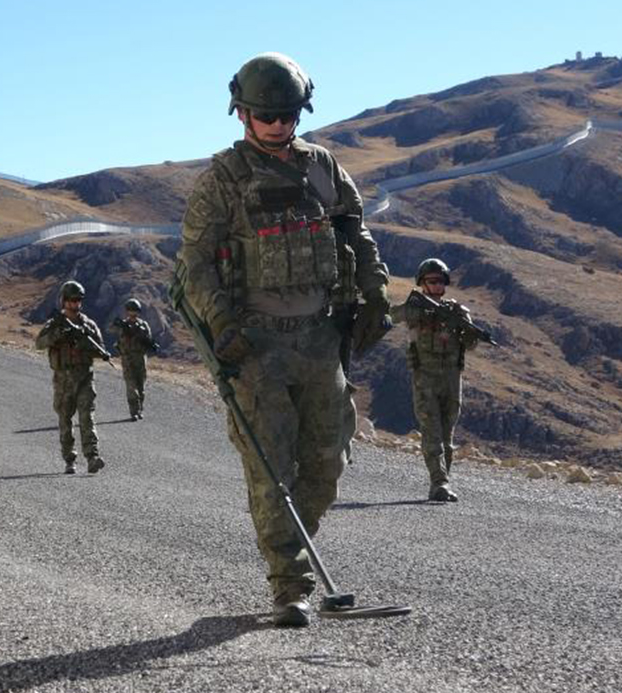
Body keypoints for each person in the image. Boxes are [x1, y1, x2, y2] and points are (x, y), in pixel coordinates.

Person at [179, 52, 390, 627]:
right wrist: (221, 325)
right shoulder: (222, 180)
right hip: (257, 345)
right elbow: (195, 266)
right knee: (272, 466)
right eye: (264, 115)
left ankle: (295, 550)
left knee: (326, 459)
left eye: (286, 114)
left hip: (321, 337)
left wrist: (374, 294)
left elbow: (356, 233)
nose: (276, 125)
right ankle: (290, 585)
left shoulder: (321, 166)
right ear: (242, 113)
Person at [391, 258, 483, 503]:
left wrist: (468, 332)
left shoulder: (457, 312)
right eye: (431, 281)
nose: (436, 286)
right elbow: (392, 315)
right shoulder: (415, 307)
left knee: (447, 438)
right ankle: (439, 483)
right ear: (422, 283)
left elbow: (471, 344)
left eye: (440, 281)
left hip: (452, 380)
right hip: (425, 379)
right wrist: (412, 310)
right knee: (431, 434)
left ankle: (443, 483)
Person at [35, 281, 110, 475]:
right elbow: (39, 343)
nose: (74, 304)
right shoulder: (55, 324)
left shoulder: (88, 325)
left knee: (87, 418)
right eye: (70, 300)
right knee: (65, 420)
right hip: (63, 380)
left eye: (77, 301)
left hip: (85, 377)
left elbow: (99, 348)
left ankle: (92, 457)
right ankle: (70, 459)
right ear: (63, 301)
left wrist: (86, 344)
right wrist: (58, 335)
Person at [108, 298, 157, 420]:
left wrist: (150, 344)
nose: (132, 314)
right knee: (131, 385)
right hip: (127, 358)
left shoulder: (143, 325)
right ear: (127, 312)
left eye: (135, 311)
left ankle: (140, 409)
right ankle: (133, 411)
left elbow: (149, 339)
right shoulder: (122, 325)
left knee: (141, 386)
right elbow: (110, 329)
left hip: (140, 358)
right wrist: (117, 324)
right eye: (130, 311)